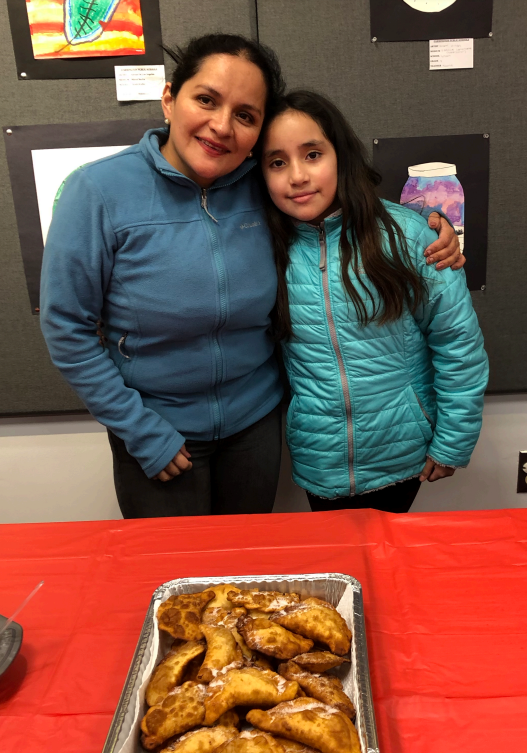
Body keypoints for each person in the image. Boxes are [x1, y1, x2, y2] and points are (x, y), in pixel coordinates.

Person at [40, 35, 463, 519]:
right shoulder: (96, 191)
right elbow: (67, 328)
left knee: (249, 575)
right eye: (206, 100)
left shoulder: (258, 185)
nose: (222, 126)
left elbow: (338, 212)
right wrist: (138, 429)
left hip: (255, 428)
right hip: (157, 430)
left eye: (245, 115)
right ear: (168, 98)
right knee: (175, 574)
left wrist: (432, 223)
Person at [260, 90, 489, 513]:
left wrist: (453, 440)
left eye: (312, 154)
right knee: (338, 568)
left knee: (390, 567)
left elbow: (458, 343)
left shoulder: (408, 235)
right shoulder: (262, 246)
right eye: (277, 162)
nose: (297, 176)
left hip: (401, 453)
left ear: (340, 156)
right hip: (320, 459)